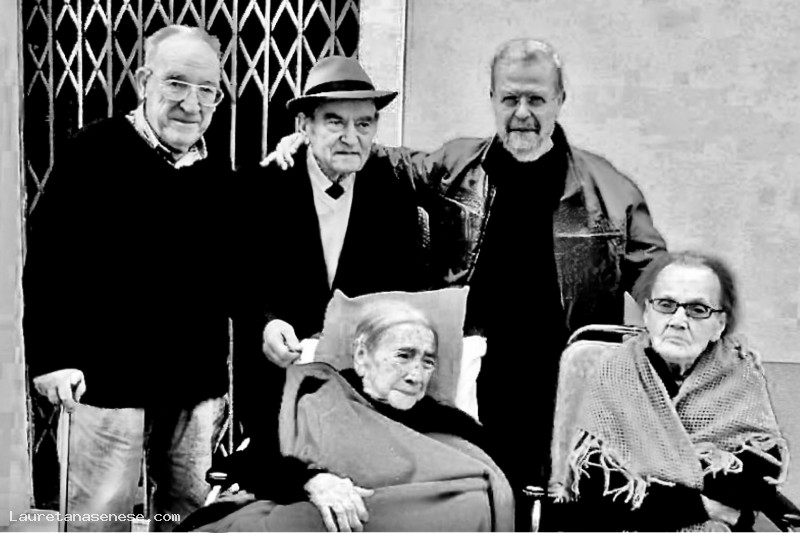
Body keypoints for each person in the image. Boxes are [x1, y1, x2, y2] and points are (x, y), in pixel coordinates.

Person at [265, 38, 667, 513]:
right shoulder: (456, 166)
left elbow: (656, 276)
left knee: (562, 507)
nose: (522, 113)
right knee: (482, 499)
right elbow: (381, 158)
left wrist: (690, 325)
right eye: (509, 98)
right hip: (468, 378)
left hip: (564, 382)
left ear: (560, 99)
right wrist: (309, 142)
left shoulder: (610, 190)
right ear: (492, 98)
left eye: (536, 99)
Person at [23, 25, 233, 531]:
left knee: (190, 514)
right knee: (99, 516)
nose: (191, 103)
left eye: (206, 90)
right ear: (144, 81)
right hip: (106, 378)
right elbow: (49, 259)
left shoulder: (215, 168)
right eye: (176, 83)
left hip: (193, 380)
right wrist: (51, 358)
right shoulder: (93, 151)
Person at [179, 299, 513, 532]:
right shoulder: (310, 393)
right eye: (403, 355)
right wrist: (312, 481)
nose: (416, 375)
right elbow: (250, 463)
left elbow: (493, 473)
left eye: (428, 361)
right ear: (363, 355)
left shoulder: (447, 422)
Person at [233, 56, 429, 447]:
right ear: (305, 126)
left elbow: (406, 290)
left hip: (363, 395)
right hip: (278, 389)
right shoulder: (259, 189)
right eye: (335, 122)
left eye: (364, 124)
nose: (351, 137)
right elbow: (237, 276)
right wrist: (266, 323)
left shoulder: (395, 198)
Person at [552, 251, 788, 531]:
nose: (678, 320)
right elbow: (597, 490)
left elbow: (758, 482)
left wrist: (656, 481)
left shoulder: (742, 374)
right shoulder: (611, 373)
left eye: (697, 309)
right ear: (647, 313)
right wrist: (708, 507)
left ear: (720, 324)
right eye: (665, 305)